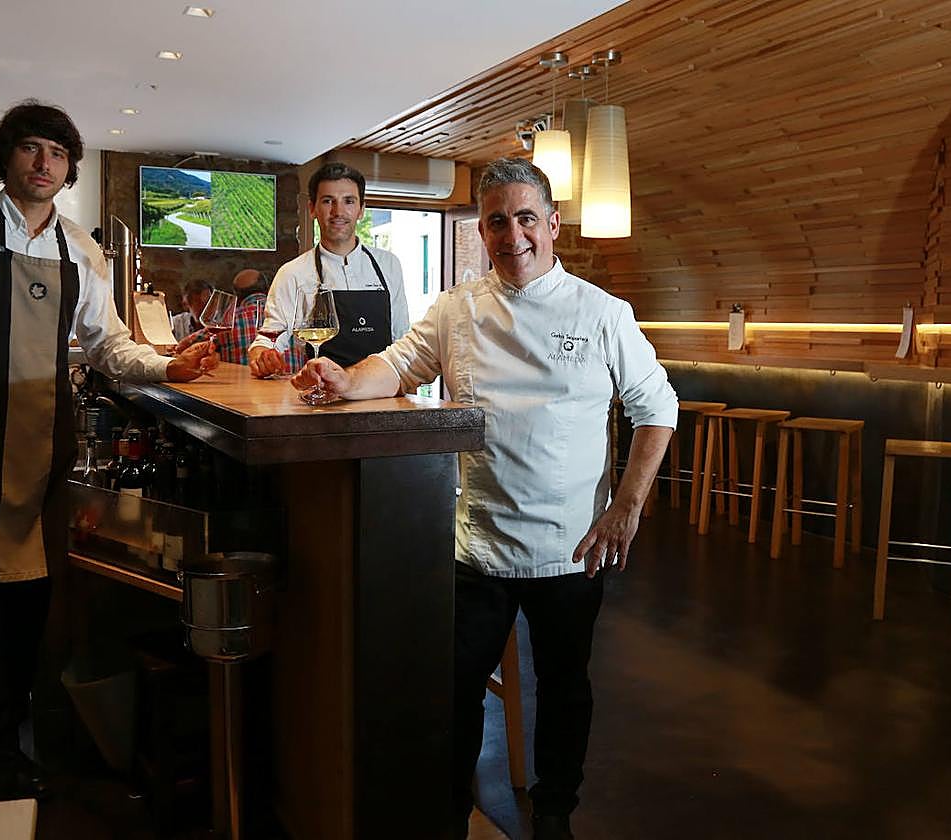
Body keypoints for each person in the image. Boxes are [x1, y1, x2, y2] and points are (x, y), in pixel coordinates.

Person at [291, 158, 678, 840]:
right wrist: (346, 380)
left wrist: (625, 507)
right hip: (478, 544)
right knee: (454, 690)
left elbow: (658, 408)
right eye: (497, 221)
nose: (513, 235)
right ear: (482, 232)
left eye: (526, 218)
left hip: (572, 545)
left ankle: (554, 811)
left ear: (552, 224)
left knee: (565, 687)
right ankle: (448, 816)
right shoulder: (456, 308)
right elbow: (398, 365)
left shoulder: (602, 312)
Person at [0, 99, 216, 805]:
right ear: (5, 157)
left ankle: (19, 752)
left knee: (32, 612)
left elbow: (108, 345)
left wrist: (169, 366)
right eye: (31, 148)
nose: (44, 163)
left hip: (48, 450)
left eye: (58, 153)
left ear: (70, 169)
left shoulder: (80, 247)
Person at [247, 161, 409, 377]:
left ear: (361, 209)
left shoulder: (389, 264)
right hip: (321, 391)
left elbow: (401, 338)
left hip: (382, 389)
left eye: (349, 201)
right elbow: (269, 339)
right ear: (312, 208)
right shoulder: (292, 273)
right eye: (327, 201)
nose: (338, 211)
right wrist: (263, 357)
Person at [177, 268, 307, 368]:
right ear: (268, 290)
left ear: (237, 297)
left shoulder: (228, 320)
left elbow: (183, 348)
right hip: (292, 388)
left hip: (245, 388)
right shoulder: (291, 315)